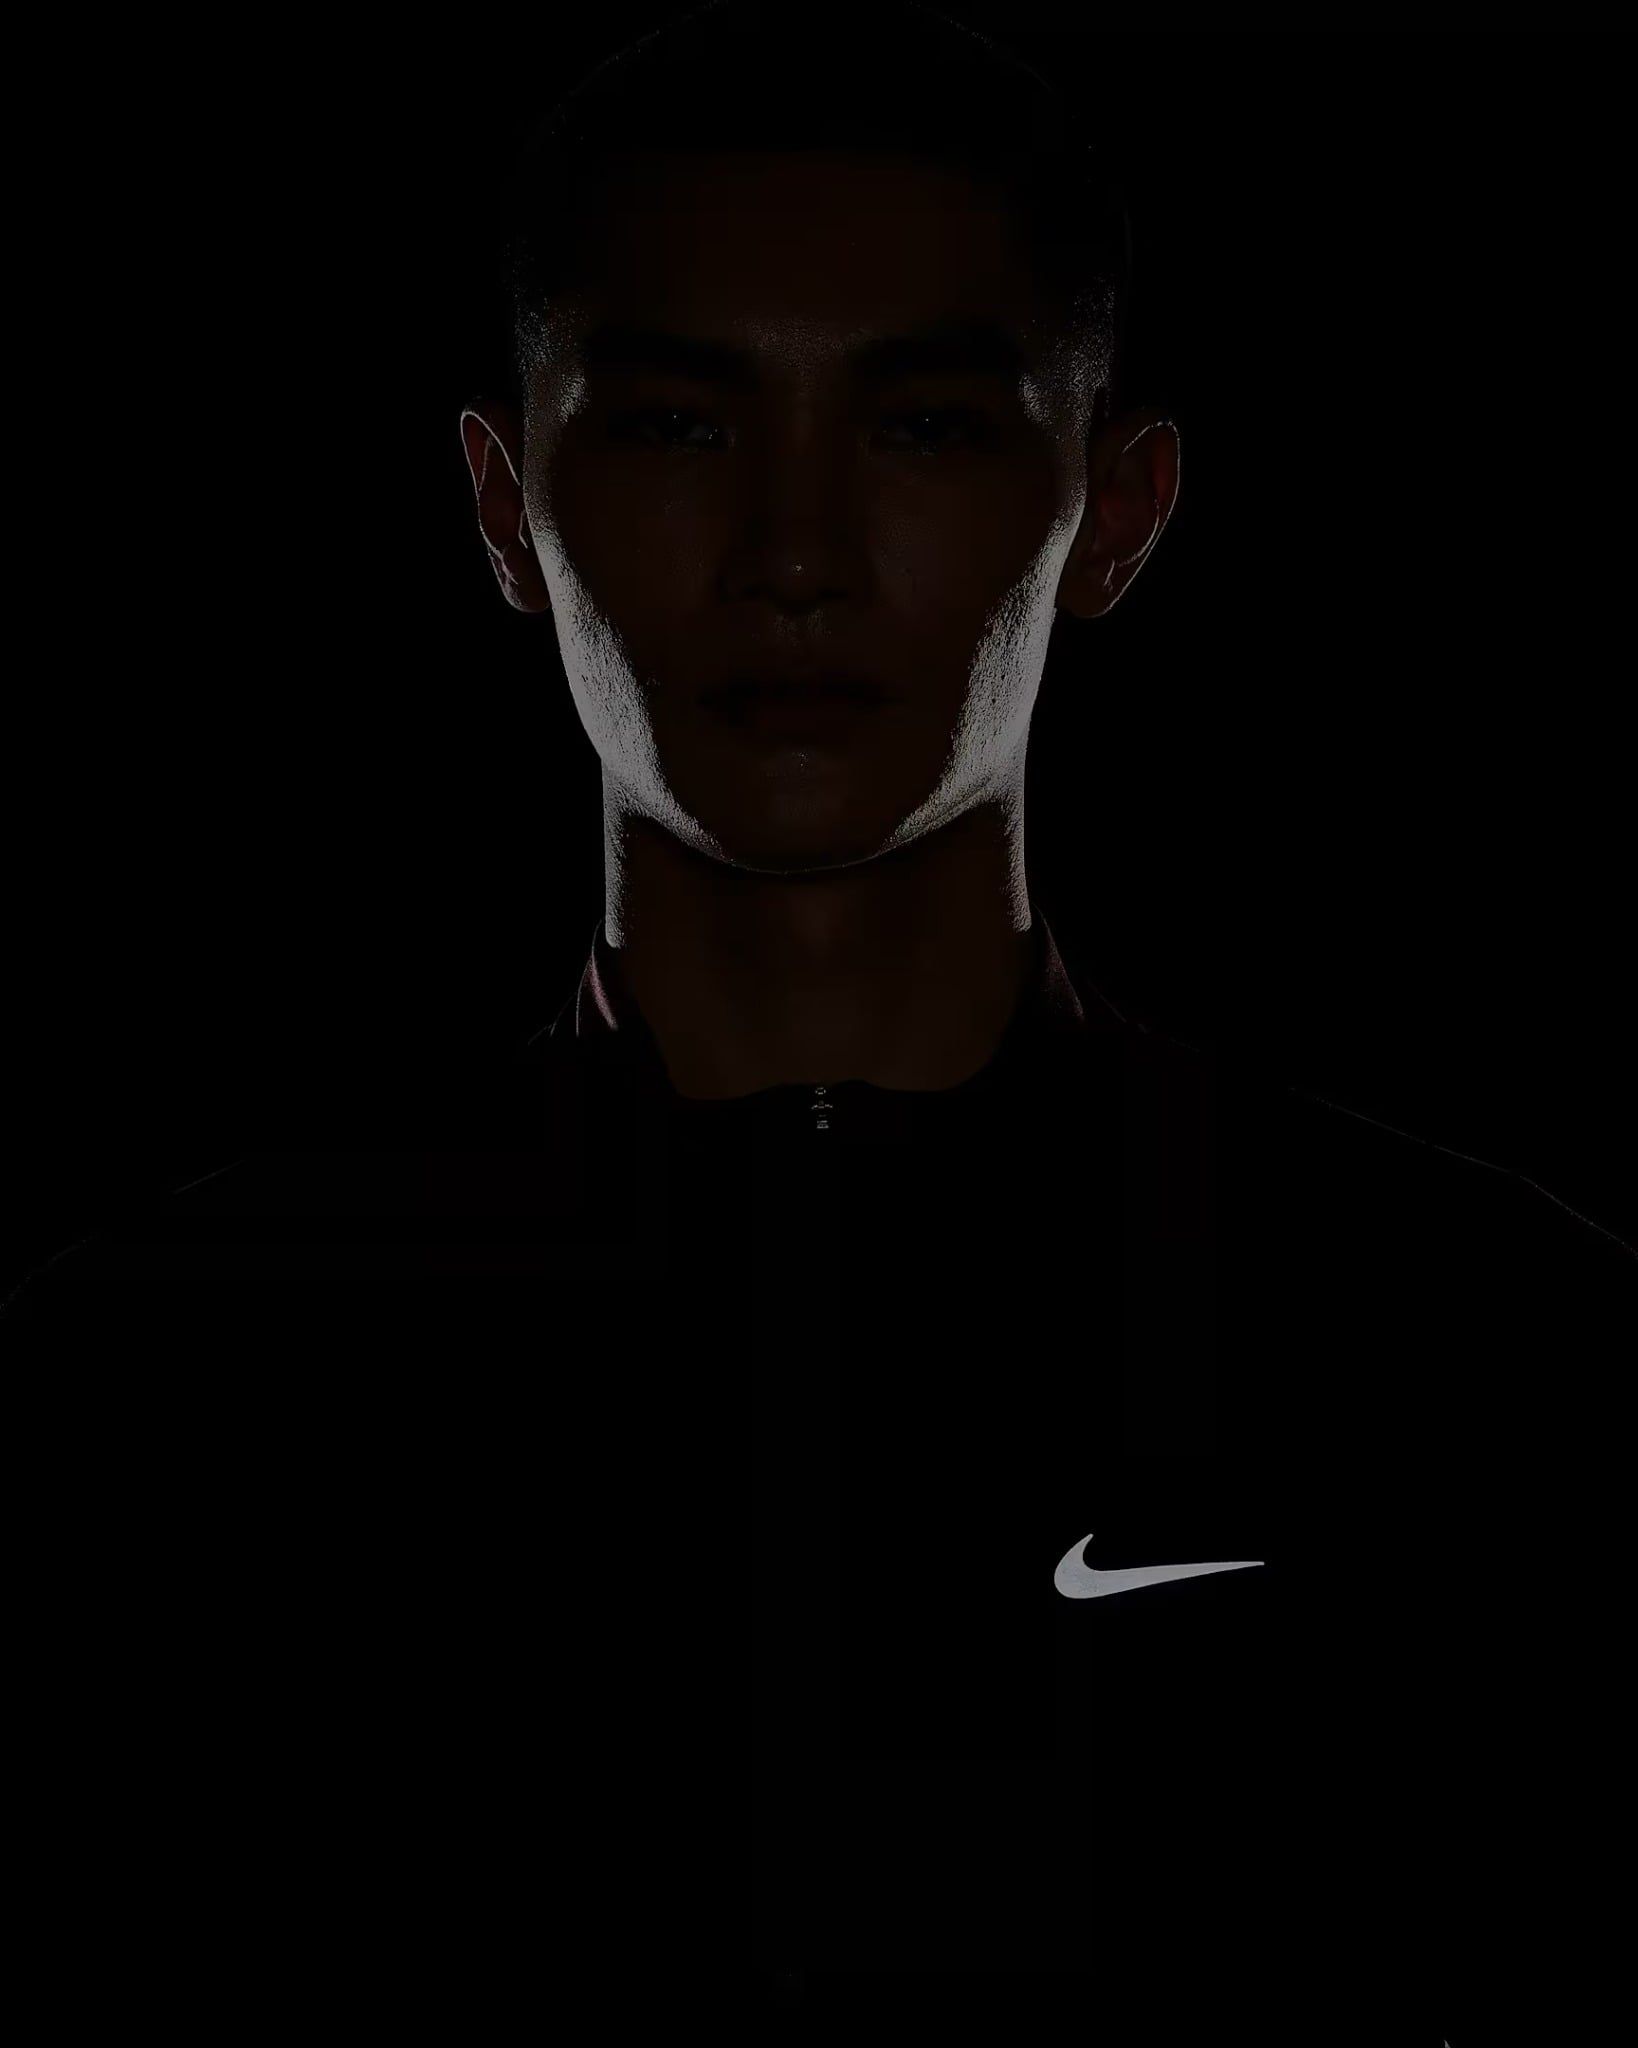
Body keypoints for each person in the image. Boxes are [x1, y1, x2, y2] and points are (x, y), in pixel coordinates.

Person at [4, 3, 1631, 2036]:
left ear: (1117, 510)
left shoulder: (1487, 1358)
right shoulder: (161, 1381)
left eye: (923, 426)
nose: (794, 554)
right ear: (505, 509)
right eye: (678, 428)